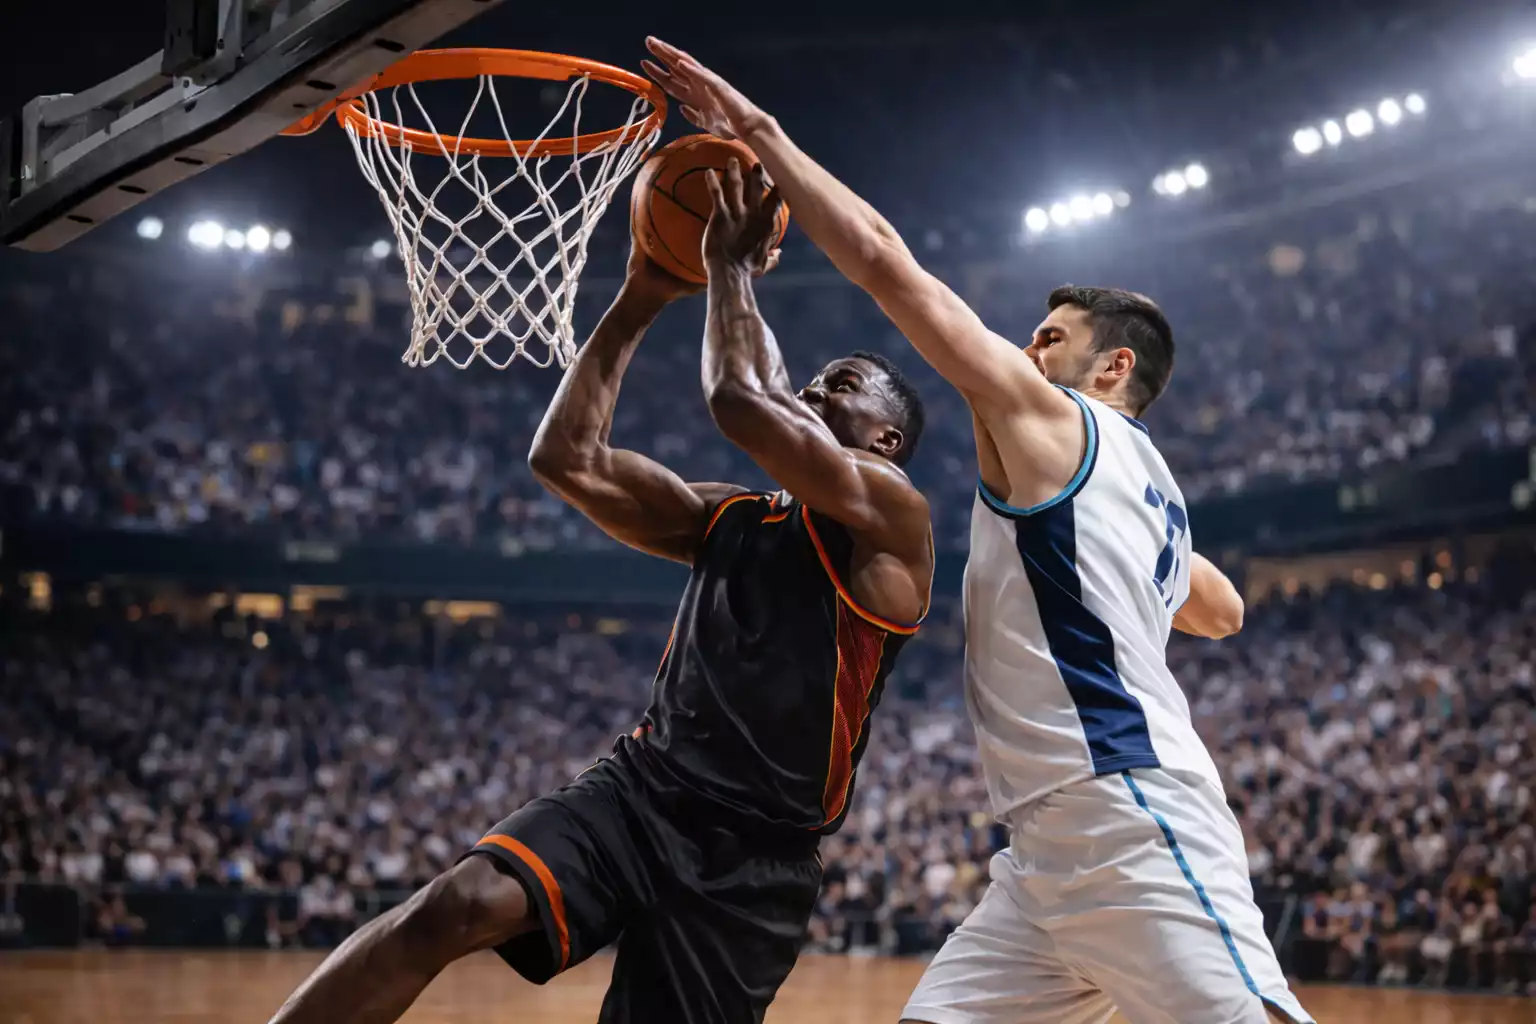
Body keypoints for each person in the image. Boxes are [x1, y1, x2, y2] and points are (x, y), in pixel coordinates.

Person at [643, 36, 1311, 1024]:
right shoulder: (1151, 488)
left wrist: (759, 131)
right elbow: (1224, 610)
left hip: (1126, 814)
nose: (1026, 347)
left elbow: (883, 261)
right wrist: (1161, 585)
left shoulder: (1056, 422)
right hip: (1046, 860)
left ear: (1113, 368)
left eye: (1052, 338)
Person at [265, 148, 934, 1023]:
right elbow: (566, 459)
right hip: (644, 787)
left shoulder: (893, 515)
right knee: (456, 904)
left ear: (885, 439)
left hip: (755, 856)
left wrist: (727, 263)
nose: (813, 391)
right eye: (809, 381)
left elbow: (742, 398)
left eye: (839, 388)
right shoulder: (732, 518)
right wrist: (642, 296)